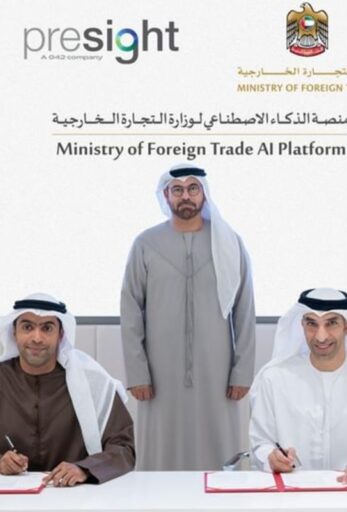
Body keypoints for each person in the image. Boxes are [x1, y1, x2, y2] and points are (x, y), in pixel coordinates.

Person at [121, 163, 256, 470]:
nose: (186, 196)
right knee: (161, 450)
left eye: (193, 189)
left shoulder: (229, 242)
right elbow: (130, 310)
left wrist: (242, 372)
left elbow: (245, 309)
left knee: (220, 454)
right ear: (166, 195)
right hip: (159, 371)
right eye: (177, 190)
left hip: (217, 369)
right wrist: (137, 373)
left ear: (204, 193)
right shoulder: (145, 244)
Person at [0, 293, 135, 486]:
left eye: (47, 328)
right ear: (14, 332)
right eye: (27, 327)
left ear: (61, 334)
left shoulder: (92, 383)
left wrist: (84, 469)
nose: (37, 338)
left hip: (73, 496)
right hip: (4, 499)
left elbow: (124, 448)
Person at [249, 288, 347, 486]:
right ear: (301, 325)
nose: (321, 336)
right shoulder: (274, 378)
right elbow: (260, 444)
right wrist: (270, 458)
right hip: (292, 495)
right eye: (312, 324)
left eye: (331, 323)